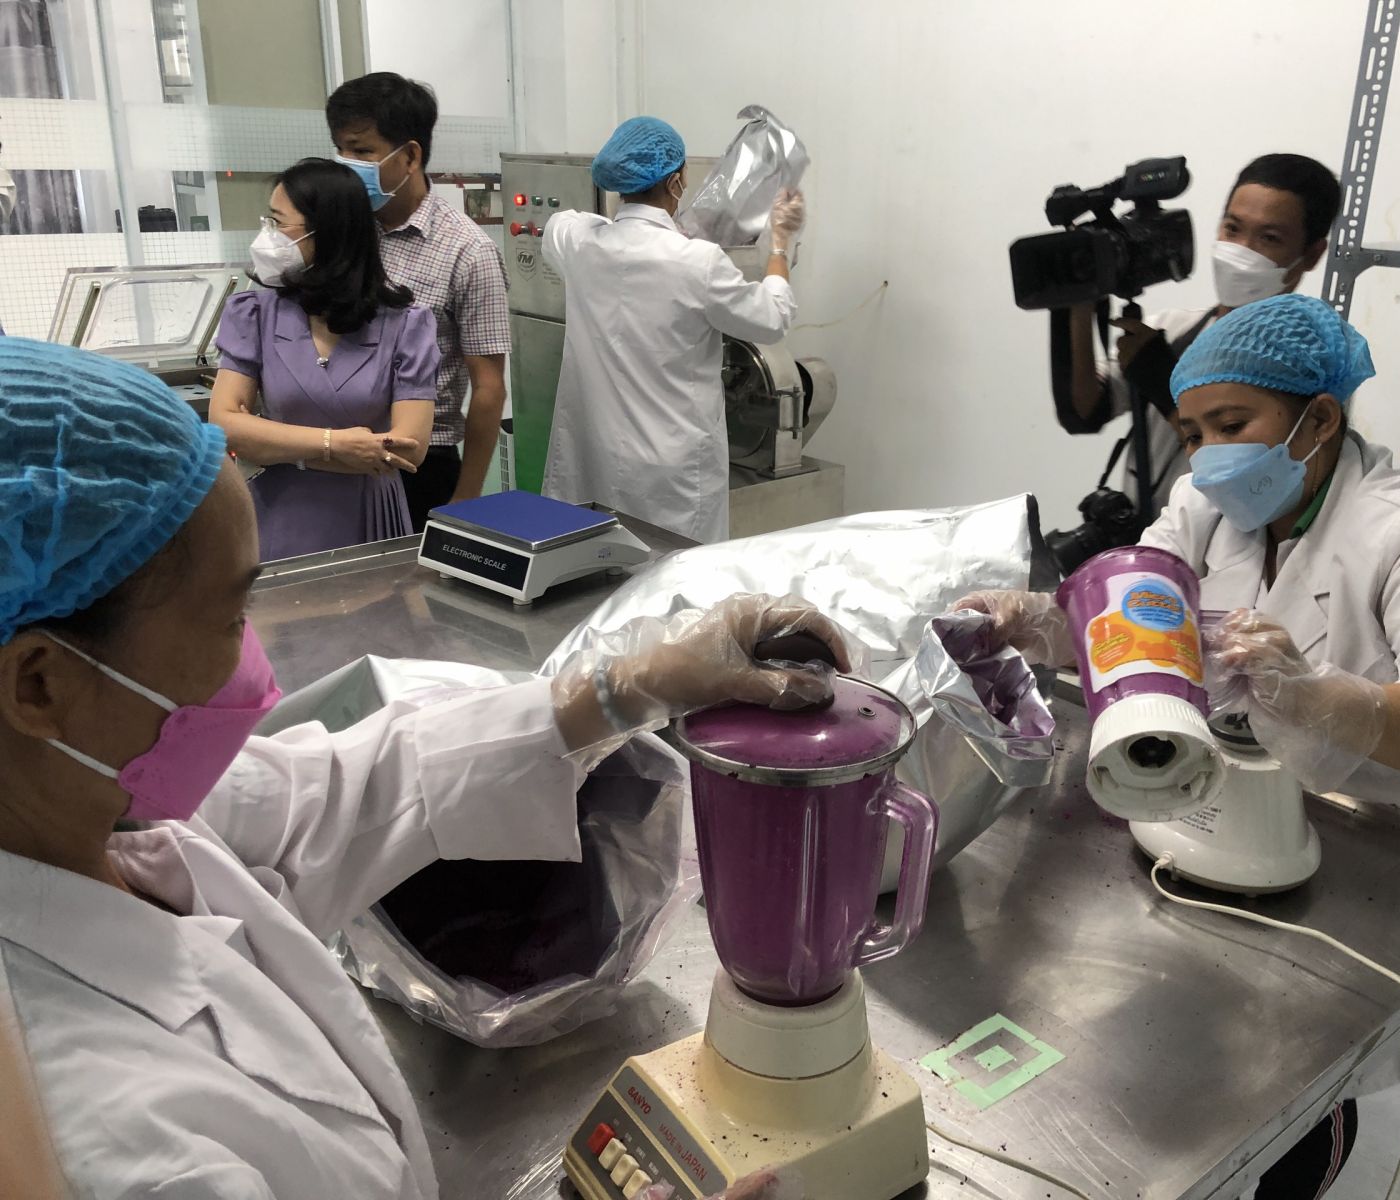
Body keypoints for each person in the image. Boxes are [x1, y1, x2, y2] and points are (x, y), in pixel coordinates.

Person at [0, 336, 842, 1198]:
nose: (256, 661)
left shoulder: (107, 820)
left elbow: (347, 789)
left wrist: (635, 683)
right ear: (40, 685)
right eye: (229, 617)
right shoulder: (106, 1144)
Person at [959, 294, 1400, 1198]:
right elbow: (1135, 603)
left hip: (1385, 844)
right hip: (1229, 809)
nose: (1208, 456)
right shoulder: (1202, 502)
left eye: (1231, 424)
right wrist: (1045, 620)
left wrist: (1324, 700)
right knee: (1207, 1049)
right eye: (1191, 432)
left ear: (1319, 417)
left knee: (1311, 1074)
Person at [541, 116, 806, 544]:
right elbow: (773, 318)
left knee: (596, 576)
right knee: (674, 582)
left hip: (593, 460)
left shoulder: (577, 242)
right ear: (676, 181)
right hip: (671, 475)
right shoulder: (698, 262)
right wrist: (780, 242)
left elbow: (560, 221)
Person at [1055, 153, 1340, 512]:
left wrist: (1163, 383)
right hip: (1149, 547)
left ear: (1312, 254)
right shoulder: (1171, 331)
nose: (1241, 250)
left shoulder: (1312, 365)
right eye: (1232, 229)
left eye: (1268, 238)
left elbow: (1253, 484)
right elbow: (1083, 410)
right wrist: (1077, 300)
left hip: (1229, 554)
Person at [209, 158, 438, 561]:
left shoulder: (406, 325)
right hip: (278, 512)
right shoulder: (255, 314)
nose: (268, 237)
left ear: (327, 233)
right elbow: (225, 426)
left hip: (370, 519)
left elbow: (408, 449)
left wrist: (271, 441)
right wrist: (337, 444)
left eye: (279, 224)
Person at [326, 72, 512, 528]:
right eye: (341, 150)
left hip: (418, 465)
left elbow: (489, 389)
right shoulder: (338, 229)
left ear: (410, 155)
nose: (348, 163)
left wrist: (466, 499)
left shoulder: (467, 251)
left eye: (362, 151)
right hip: (329, 457)